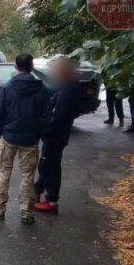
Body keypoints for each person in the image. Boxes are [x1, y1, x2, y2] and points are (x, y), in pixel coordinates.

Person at [0, 53, 51, 225]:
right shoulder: (41, 89)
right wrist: (43, 136)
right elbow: (45, 117)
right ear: (32, 67)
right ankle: (26, 213)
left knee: (2, 173)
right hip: (30, 140)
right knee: (27, 176)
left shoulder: (8, 88)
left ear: (16, 67)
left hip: (8, 137)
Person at [34, 56, 79, 214]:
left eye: (55, 71)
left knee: (50, 167)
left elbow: (56, 120)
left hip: (55, 138)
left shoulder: (65, 95)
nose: (52, 74)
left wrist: (42, 129)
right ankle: (45, 195)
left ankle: (51, 200)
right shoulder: (67, 89)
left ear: (62, 73)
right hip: (57, 137)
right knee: (48, 166)